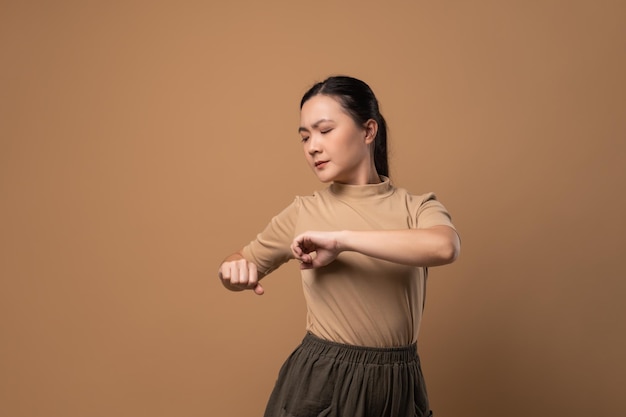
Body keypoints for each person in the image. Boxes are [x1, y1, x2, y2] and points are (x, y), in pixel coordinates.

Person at [218, 75, 460, 417]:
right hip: (324, 379)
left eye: (325, 130)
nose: (312, 146)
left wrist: (342, 241)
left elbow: (444, 247)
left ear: (368, 131)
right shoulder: (304, 211)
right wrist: (231, 270)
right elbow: (242, 261)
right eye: (305, 137)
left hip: (401, 382)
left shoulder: (416, 207)